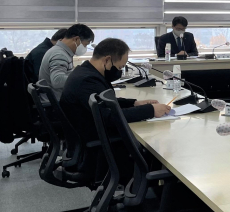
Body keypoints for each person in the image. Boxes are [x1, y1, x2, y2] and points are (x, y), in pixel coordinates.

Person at [60, 38, 171, 184]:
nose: (119, 71)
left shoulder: (86, 72)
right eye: (120, 67)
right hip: (94, 146)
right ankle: (148, 187)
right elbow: (109, 116)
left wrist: (135, 103)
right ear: (107, 60)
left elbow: (106, 102)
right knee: (152, 141)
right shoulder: (87, 81)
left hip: (89, 137)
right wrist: (150, 110)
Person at [39, 23, 94, 99]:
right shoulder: (59, 54)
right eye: (85, 45)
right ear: (76, 39)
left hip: (58, 97)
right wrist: (81, 78)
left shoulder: (61, 51)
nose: (85, 48)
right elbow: (57, 81)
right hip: (58, 101)